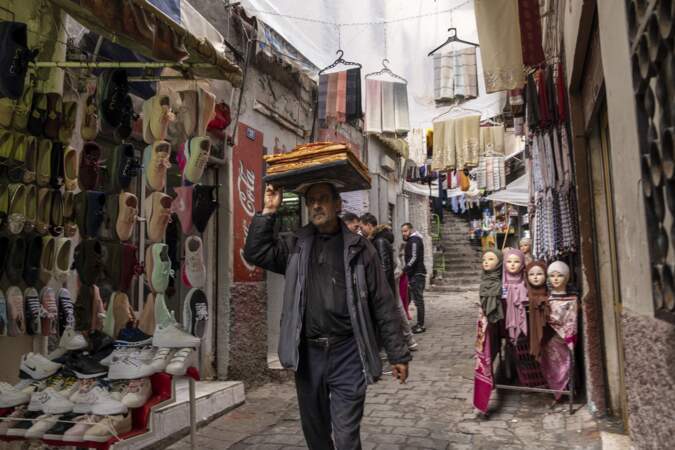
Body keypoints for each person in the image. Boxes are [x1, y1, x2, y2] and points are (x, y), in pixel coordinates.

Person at [244, 183, 411, 450]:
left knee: (345, 438)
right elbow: (255, 253)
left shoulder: (361, 249)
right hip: (309, 355)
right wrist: (268, 212)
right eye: (311, 201)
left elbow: (383, 302)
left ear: (338, 205)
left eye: (323, 199)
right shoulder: (295, 245)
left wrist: (398, 354)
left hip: (348, 352)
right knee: (316, 436)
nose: (316, 205)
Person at [359, 213, 418, 351]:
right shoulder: (380, 238)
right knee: (397, 307)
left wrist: (383, 286)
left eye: (362, 227)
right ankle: (408, 340)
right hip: (391, 278)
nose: (361, 230)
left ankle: (404, 341)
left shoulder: (379, 241)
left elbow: (384, 266)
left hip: (387, 280)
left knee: (395, 308)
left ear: (369, 225)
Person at [401, 223, 427, 334]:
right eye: (402, 231)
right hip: (414, 275)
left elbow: (414, 257)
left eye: (405, 231)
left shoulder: (415, 240)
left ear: (411, 230)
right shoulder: (412, 241)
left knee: (418, 300)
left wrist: (405, 269)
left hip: (417, 274)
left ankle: (421, 325)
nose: (404, 233)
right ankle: (404, 322)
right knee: (408, 298)